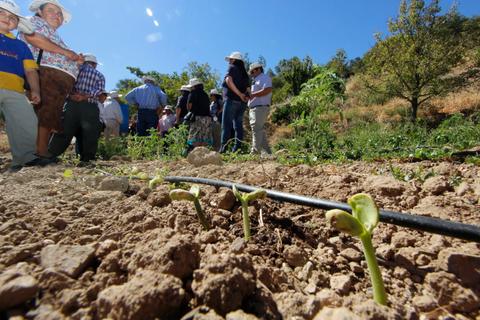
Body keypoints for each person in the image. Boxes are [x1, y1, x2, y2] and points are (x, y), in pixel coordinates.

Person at [19, 0, 82, 158]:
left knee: (49, 113)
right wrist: (67, 53)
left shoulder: (54, 35)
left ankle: (39, 150)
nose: (57, 15)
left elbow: (57, 52)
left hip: (56, 80)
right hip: (44, 74)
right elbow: (33, 38)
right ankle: (39, 152)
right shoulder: (35, 22)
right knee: (43, 112)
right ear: (40, 12)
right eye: (51, 10)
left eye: (59, 14)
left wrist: (76, 61)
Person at [0, 0, 53, 171]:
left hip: (16, 91)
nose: (7, 19)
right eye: (2, 13)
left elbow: (30, 71)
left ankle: (27, 158)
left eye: (13, 18)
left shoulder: (21, 46)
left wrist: (35, 90)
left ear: (17, 25)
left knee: (26, 122)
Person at [48, 54, 105, 164]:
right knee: (90, 134)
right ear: (93, 64)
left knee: (64, 130)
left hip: (71, 105)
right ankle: (87, 159)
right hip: (89, 107)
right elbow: (99, 91)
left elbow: (65, 85)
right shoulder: (99, 75)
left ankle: (51, 154)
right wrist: (84, 96)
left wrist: (72, 95)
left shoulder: (74, 70)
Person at [220, 51, 250, 153]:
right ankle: (238, 149)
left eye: (230, 60)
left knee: (226, 125)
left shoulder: (232, 68)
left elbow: (229, 80)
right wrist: (245, 97)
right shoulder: (245, 74)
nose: (229, 62)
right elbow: (248, 90)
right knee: (238, 126)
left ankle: (223, 149)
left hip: (232, 100)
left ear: (234, 60)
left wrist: (239, 94)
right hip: (242, 103)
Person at [248, 62, 272, 155]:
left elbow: (268, 89)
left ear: (258, 69)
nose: (251, 74)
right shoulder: (256, 79)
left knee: (256, 129)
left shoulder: (264, 77)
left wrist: (252, 95)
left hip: (260, 107)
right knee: (259, 130)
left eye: (252, 71)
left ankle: (255, 152)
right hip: (255, 108)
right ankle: (267, 153)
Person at [186, 78, 212, 149]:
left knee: (195, 137)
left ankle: (195, 153)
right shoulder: (205, 94)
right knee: (205, 137)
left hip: (197, 117)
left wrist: (189, 110)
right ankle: (204, 154)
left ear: (193, 86)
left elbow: (189, 106)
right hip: (207, 118)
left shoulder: (192, 93)